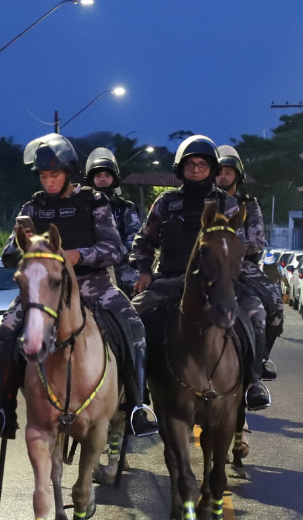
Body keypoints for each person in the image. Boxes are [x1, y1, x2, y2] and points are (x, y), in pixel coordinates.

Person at [0, 133, 158, 439]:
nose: (48, 182)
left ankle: (138, 407)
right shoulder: (31, 208)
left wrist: (77, 255)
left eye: (54, 175)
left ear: (69, 173)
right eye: (44, 176)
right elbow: (9, 254)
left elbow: (114, 250)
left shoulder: (94, 201)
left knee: (134, 327)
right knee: (6, 331)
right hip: (44, 290)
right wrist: (26, 246)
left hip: (93, 286)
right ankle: (5, 410)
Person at [131, 135, 271, 410]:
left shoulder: (227, 204)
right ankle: (137, 395)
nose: (196, 169)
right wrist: (145, 271)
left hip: (218, 284)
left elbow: (240, 243)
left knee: (256, 314)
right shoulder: (164, 202)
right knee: (134, 319)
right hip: (170, 281)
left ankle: (252, 384)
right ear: (180, 169)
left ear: (212, 169)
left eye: (202, 164)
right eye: (190, 164)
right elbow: (144, 241)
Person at [216, 144, 286, 381]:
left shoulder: (249, 203)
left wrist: (226, 244)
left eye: (228, 171)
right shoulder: (206, 200)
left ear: (237, 175)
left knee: (275, 304)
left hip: (244, 266)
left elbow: (256, 241)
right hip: (209, 264)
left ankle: (260, 362)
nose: (222, 176)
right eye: (219, 171)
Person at [85, 147, 142, 297]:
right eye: (98, 175)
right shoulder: (81, 207)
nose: (103, 178)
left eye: (107, 175)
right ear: (92, 179)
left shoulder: (126, 207)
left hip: (120, 264)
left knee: (142, 291)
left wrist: (114, 254)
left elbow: (134, 236)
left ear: (114, 178)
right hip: (87, 265)